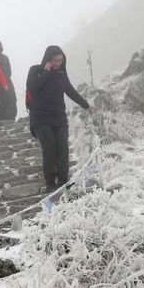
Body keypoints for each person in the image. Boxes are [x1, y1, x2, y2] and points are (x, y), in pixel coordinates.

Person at [26, 45, 95, 192]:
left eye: (61, 60)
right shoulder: (35, 70)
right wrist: (46, 72)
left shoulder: (61, 74)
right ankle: (50, 182)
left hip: (58, 118)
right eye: (55, 60)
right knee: (49, 147)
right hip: (40, 118)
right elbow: (32, 87)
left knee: (62, 149)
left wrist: (86, 105)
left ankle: (64, 181)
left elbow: (70, 91)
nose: (58, 63)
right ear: (48, 58)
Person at [0, 39, 17, 122]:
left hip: (7, 82)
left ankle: (11, 117)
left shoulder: (5, 58)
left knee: (11, 99)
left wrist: (5, 81)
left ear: (1, 48)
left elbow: (9, 71)